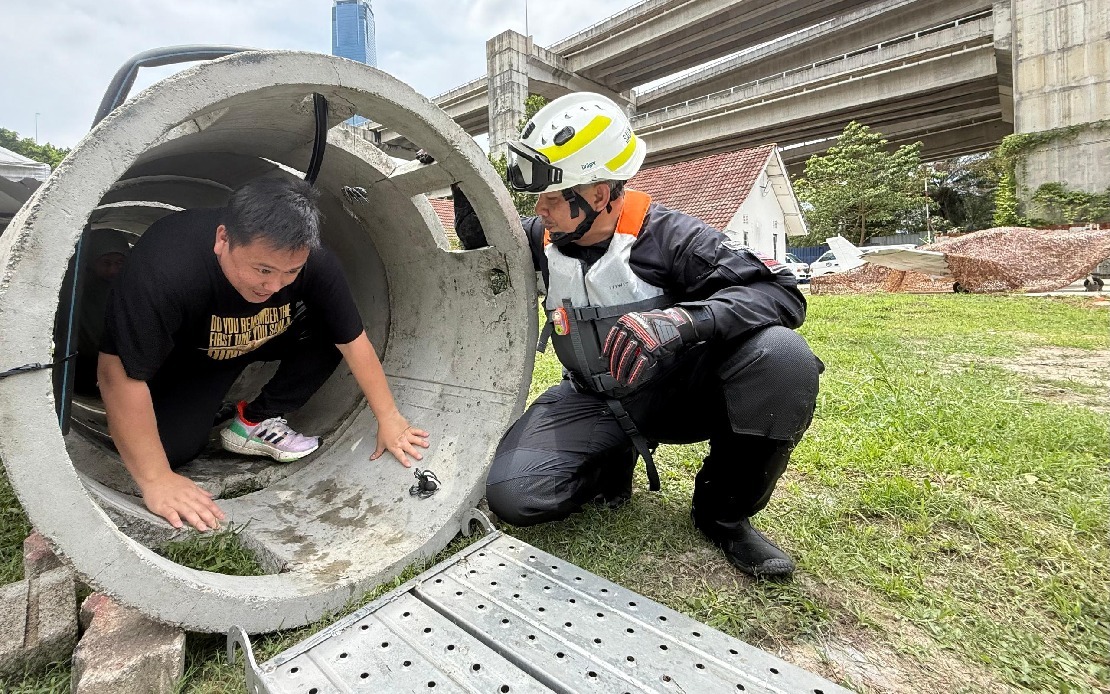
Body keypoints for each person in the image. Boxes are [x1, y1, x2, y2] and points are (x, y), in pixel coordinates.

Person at [451, 93, 822, 578]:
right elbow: (480, 237)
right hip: (595, 396)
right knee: (515, 495)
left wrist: (682, 322)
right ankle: (612, 458)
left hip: (680, 395)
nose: (539, 210)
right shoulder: (543, 237)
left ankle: (722, 516)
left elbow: (781, 294)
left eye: (552, 198)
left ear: (599, 195)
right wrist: (460, 172)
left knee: (782, 358)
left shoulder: (670, 236)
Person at [98, 178, 429, 532]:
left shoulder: (313, 261)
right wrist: (156, 479)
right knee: (173, 449)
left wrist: (390, 418)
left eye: (291, 273)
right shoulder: (166, 266)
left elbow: (353, 340)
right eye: (263, 270)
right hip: (186, 360)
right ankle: (202, 410)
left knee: (328, 333)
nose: (274, 287)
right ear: (223, 239)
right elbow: (116, 374)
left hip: (260, 338)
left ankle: (257, 418)